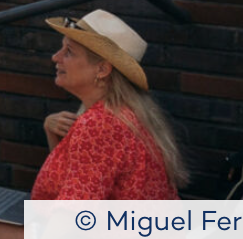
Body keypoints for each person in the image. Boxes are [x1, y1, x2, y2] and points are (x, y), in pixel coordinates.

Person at [31, 11, 185, 200]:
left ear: (102, 69)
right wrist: (52, 132)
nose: (56, 57)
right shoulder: (120, 114)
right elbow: (73, 177)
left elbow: (73, 218)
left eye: (69, 52)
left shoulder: (100, 125)